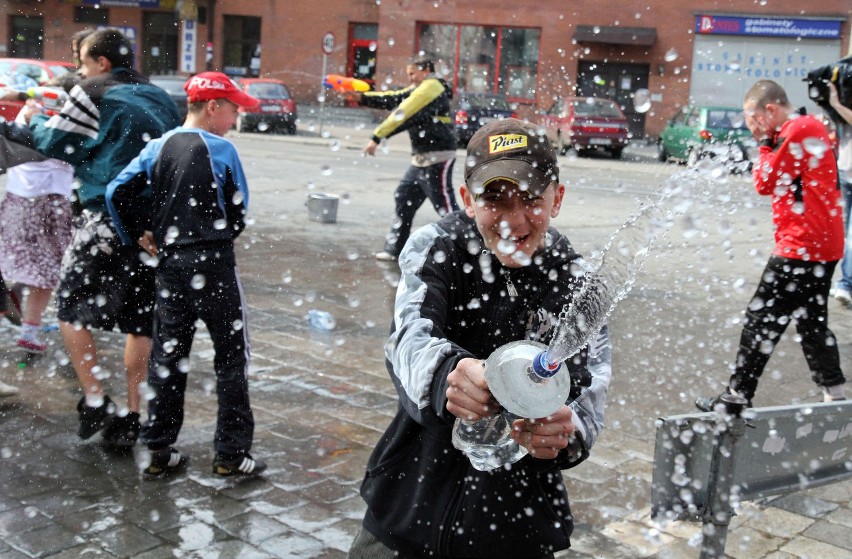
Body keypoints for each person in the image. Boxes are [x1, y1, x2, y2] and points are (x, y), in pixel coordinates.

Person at [348, 119, 612, 558]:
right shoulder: (437, 246)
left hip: (518, 525)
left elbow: (591, 394)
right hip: (409, 502)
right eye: (495, 199)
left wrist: (568, 431)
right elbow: (408, 339)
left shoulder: (579, 283)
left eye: (530, 199)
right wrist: (448, 375)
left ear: (557, 198)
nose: (513, 220)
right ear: (468, 200)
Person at [3, 28, 182, 445]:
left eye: (83, 61)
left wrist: (23, 126)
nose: (80, 70)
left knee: (70, 310)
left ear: (101, 62)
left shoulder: (92, 90)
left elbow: (57, 143)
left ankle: (95, 399)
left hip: (105, 217)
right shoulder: (159, 96)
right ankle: (134, 414)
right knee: (142, 323)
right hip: (153, 225)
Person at [106, 71, 266, 479]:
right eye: (232, 110)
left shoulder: (157, 147)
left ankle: (158, 450)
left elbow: (115, 193)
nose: (234, 119)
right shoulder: (223, 150)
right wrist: (221, 232)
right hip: (214, 265)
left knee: (169, 357)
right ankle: (231, 455)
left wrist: (138, 234)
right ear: (213, 107)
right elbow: (239, 210)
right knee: (232, 359)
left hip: (171, 266)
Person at [696, 80, 847, 412]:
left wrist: (764, 144)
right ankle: (834, 393)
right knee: (811, 321)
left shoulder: (798, 129)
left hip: (802, 247)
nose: (753, 130)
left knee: (761, 318)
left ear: (770, 110)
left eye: (754, 122)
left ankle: (736, 396)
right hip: (820, 245)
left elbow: (764, 181)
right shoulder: (807, 127)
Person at [351, 56, 458, 261]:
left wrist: (377, 137)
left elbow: (404, 113)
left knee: (446, 207)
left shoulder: (431, 87)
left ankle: (473, 246)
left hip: (438, 156)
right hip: (420, 158)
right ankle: (394, 249)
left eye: (412, 73)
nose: (409, 77)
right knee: (404, 197)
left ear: (426, 70)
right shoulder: (418, 90)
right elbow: (394, 98)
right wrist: (362, 98)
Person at [0, 101, 74, 353]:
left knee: (13, 260)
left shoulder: (30, 111)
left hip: (18, 197)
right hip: (53, 199)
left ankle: (15, 295)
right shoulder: (69, 116)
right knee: (46, 270)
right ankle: (29, 330)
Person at [828, 81, 852, 304]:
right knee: (839, 233)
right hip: (844, 173)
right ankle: (837, 281)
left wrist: (835, 102)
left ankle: (845, 284)